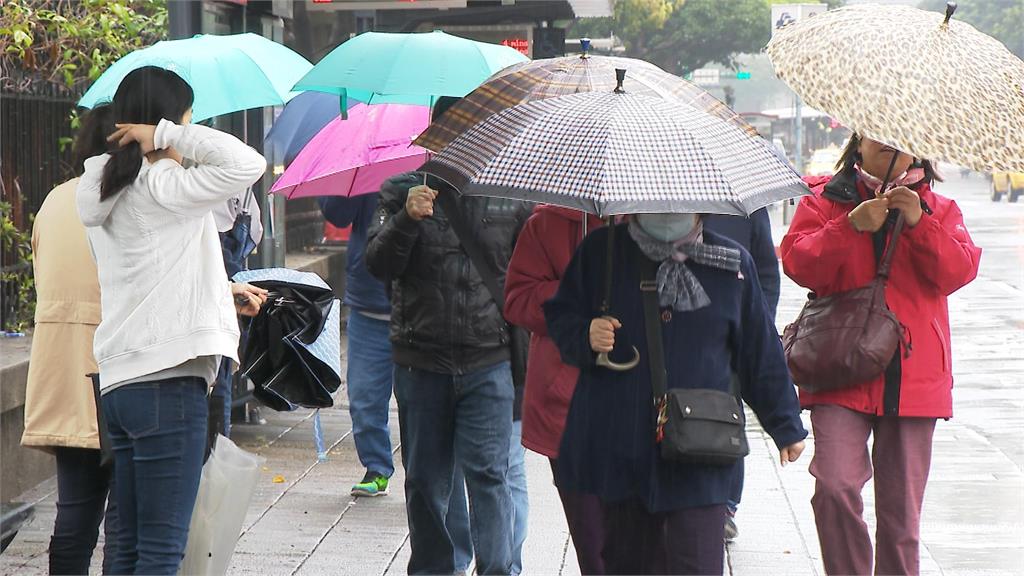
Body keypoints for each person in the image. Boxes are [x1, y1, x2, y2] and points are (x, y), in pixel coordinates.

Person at [75, 66, 268, 575]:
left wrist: (220, 292)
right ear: (165, 121)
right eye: (186, 118)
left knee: (129, 545)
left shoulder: (102, 187)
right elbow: (247, 162)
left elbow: (154, 269)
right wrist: (167, 136)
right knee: (163, 550)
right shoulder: (163, 185)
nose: (188, 128)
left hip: (121, 384)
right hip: (168, 383)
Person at [544, 213, 807, 575]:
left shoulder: (731, 262)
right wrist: (585, 334)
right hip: (620, 442)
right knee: (626, 561)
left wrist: (785, 424)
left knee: (696, 561)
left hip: (701, 446)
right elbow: (560, 317)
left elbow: (758, 350)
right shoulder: (600, 251)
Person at [780, 135, 981, 575]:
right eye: (880, 138)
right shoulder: (823, 201)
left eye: (903, 141)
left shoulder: (940, 209)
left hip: (914, 378)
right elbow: (797, 263)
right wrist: (848, 226)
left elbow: (957, 272)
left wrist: (919, 222)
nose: (892, 146)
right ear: (858, 142)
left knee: (900, 520)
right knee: (833, 487)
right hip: (839, 367)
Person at [366, 96, 532, 575]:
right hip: (421, 360)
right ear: (434, 136)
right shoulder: (401, 191)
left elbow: (527, 274)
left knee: (489, 476)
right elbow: (378, 264)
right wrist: (405, 221)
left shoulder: (510, 197)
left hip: (489, 361)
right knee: (425, 481)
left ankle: (498, 569)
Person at [320, 192, 474, 570]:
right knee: (364, 396)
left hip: (420, 313)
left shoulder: (432, 181)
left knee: (416, 407)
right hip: (368, 307)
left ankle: (427, 482)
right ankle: (376, 468)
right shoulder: (369, 176)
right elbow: (337, 215)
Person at [22, 104, 119, 575]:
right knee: (127, 518)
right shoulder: (126, 200)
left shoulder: (55, 200)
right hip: (119, 370)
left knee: (75, 511)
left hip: (62, 370)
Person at [504, 205, 606, 574]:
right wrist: (576, 292)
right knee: (593, 545)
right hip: (567, 408)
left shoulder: (656, 221)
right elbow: (518, 300)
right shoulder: (547, 223)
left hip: (640, 409)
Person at [703, 208, 780, 541]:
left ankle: (725, 506)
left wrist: (756, 325)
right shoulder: (654, 202)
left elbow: (766, 273)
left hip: (731, 333)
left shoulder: (745, 210)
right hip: (670, 329)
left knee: (726, 416)